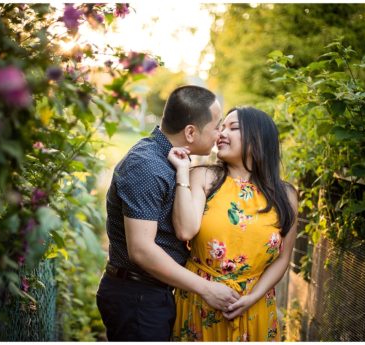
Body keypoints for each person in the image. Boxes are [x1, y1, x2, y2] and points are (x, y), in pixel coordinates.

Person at [97, 85, 239, 341]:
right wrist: (207, 289)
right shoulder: (147, 166)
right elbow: (141, 250)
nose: (220, 134)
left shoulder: (167, 158)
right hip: (137, 296)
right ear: (191, 132)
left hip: (149, 293)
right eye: (217, 125)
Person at [167, 107, 297, 341]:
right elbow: (185, 230)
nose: (221, 134)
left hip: (255, 306)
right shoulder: (205, 177)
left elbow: (283, 259)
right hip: (201, 300)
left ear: (258, 138)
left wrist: (253, 297)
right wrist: (182, 173)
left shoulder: (286, 195)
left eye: (233, 128)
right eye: (221, 128)